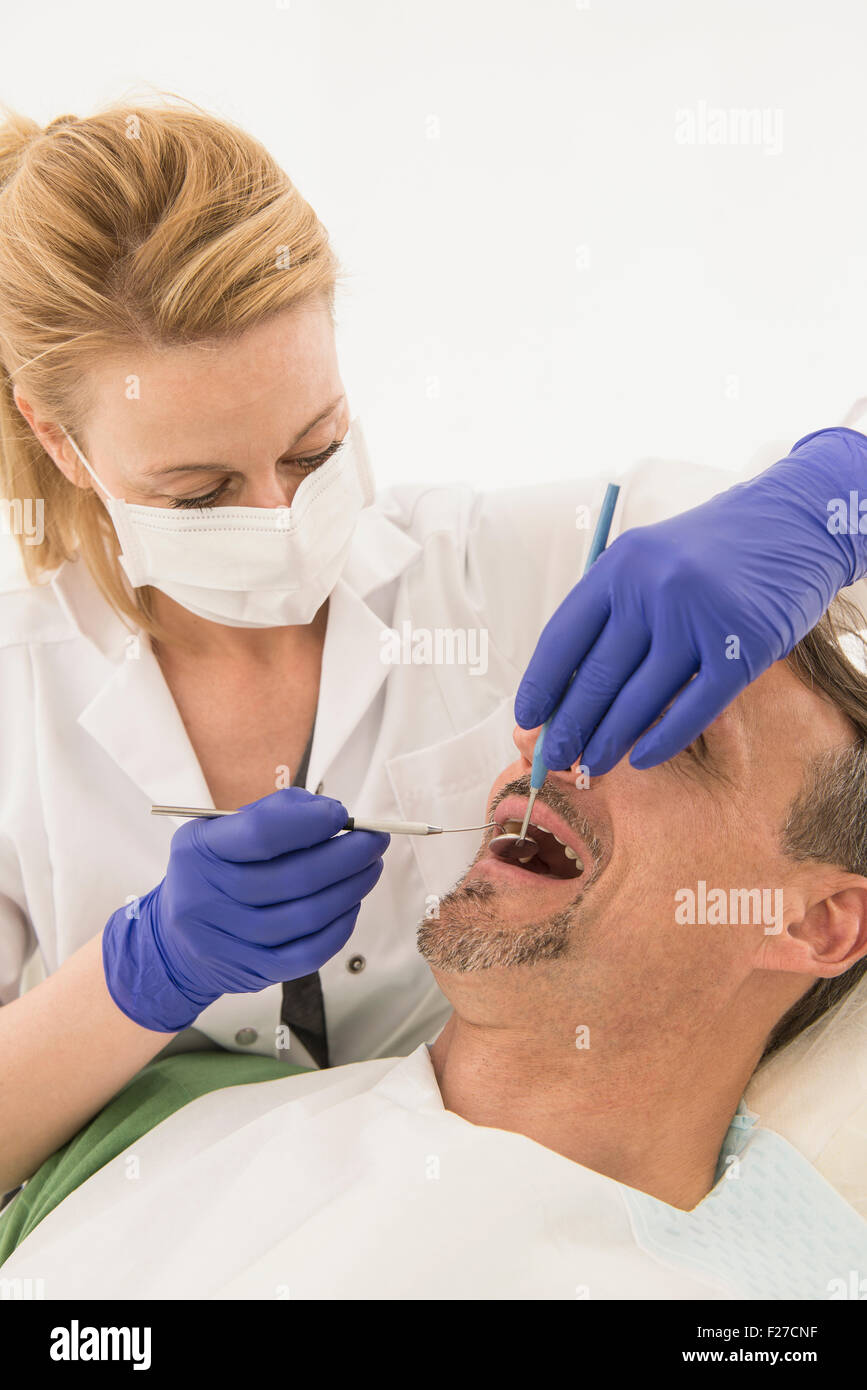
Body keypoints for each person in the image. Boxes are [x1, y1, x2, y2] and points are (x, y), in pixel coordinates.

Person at [3, 93, 867, 1201]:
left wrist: (829, 493)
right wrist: (139, 979)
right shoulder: (14, 688)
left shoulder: (536, 561)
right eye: (202, 490)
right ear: (58, 440)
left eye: (314, 448)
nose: (279, 512)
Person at [2, 603, 866, 1299]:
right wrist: (139, 969)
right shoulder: (171, 1114)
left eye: (676, 738)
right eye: (578, 704)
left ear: (815, 922)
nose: (549, 749)